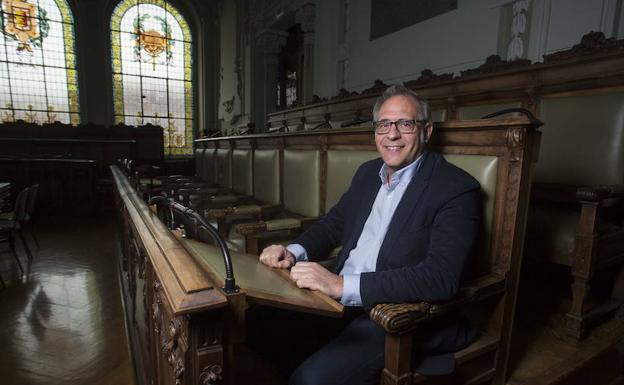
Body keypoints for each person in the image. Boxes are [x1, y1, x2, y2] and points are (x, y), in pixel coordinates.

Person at [258, 85, 481, 385]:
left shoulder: (455, 188)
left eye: (405, 124)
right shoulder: (367, 173)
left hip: (394, 316)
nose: (392, 135)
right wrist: (294, 250)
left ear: (426, 131)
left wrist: (341, 285)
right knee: (257, 322)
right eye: (384, 124)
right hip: (338, 302)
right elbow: (335, 222)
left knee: (310, 380)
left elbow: (440, 277)